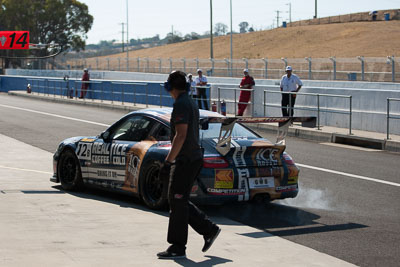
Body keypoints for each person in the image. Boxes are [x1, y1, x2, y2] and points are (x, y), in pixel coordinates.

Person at [157, 70, 220, 259]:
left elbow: (181, 135)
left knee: (176, 200)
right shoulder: (190, 101)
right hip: (192, 157)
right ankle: (208, 229)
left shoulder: (182, 104)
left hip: (186, 160)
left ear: (170, 87)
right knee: (179, 199)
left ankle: (178, 246)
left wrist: (168, 162)